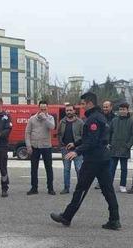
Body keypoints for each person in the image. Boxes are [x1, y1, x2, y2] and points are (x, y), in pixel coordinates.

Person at [50, 92, 120, 230]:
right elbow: (92, 138)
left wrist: (76, 151)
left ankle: (66, 217)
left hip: (93, 160)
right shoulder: (101, 117)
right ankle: (115, 219)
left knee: (80, 188)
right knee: (108, 190)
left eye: (82, 104)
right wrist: (76, 144)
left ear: (89, 103)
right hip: (103, 158)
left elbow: (92, 142)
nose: (81, 106)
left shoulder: (93, 119)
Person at [26, 100, 56, 195]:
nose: (43, 110)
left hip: (46, 146)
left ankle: (50, 188)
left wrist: (44, 118)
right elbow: (27, 133)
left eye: (45, 109)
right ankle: (34, 188)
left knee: (48, 168)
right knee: (34, 168)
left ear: (47, 108)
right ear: (38, 108)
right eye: (41, 109)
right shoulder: (32, 119)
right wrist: (28, 146)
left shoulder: (50, 118)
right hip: (34, 146)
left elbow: (52, 127)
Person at [109, 103, 133, 193]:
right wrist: (109, 143)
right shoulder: (114, 120)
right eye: (120, 109)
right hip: (114, 147)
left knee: (124, 169)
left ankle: (122, 185)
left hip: (125, 148)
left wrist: (128, 145)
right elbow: (109, 133)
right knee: (111, 168)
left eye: (124, 109)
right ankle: (108, 185)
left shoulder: (132, 121)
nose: (122, 111)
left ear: (127, 110)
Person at [57, 104, 84, 194]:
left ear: (74, 111)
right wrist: (61, 144)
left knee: (79, 169)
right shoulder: (62, 122)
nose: (68, 112)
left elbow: (84, 136)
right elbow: (59, 134)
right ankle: (66, 188)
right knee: (66, 169)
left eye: (70, 110)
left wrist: (78, 146)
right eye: (67, 110)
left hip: (77, 150)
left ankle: (80, 188)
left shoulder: (80, 122)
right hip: (65, 150)